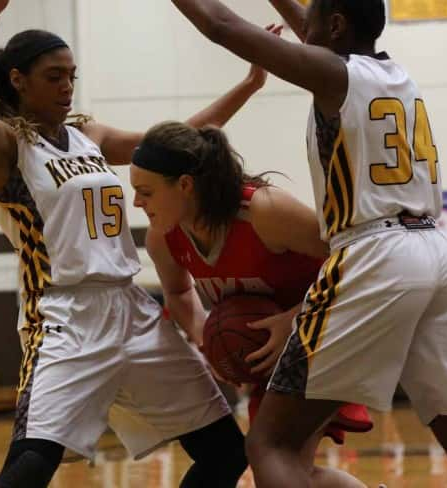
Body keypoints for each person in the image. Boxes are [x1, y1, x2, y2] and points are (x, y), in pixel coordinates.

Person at [167, 1, 447, 487]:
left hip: (375, 252)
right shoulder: (392, 75)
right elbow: (316, 41)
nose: (301, 35)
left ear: (335, 26)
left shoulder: (337, 76)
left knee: (271, 443)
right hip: (436, 253)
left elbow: (220, 25)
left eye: (310, 23)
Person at [0, 1, 279, 486]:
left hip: (133, 311)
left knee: (226, 454)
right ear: (17, 80)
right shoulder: (7, 148)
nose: (68, 86)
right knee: (29, 470)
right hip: (64, 317)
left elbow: (179, 143)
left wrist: (249, 86)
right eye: (53, 76)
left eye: (72, 75)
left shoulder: (87, 135)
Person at [131, 121, 371, 487]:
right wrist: (204, 339)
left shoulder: (264, 211)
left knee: (273, 458)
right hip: (275, 361)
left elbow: (356, 262)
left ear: (184, 185)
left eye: (145, 192)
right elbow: (179, 293)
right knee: (283, 470)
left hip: (327, 338)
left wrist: (296, 318)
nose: (136, 202)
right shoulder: (164, 238)